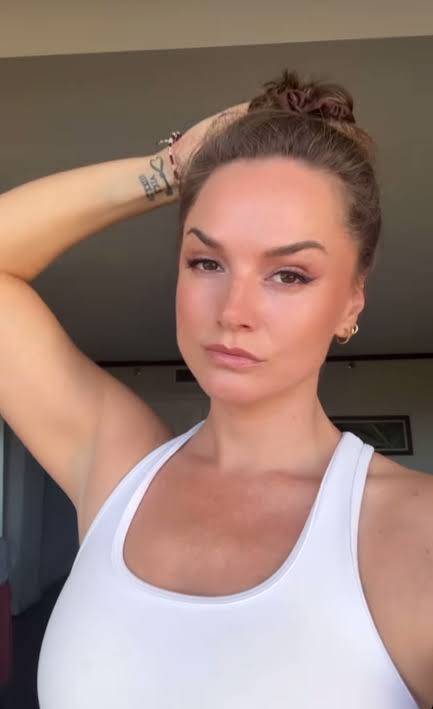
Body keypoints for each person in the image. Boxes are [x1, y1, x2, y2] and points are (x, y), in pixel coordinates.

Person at [0, 69, 431, 708]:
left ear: (351, 303)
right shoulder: (120, 474)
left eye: (289, 274)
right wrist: (171, 169)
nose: (233, 310)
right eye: (207, 262)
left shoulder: (415, 532)